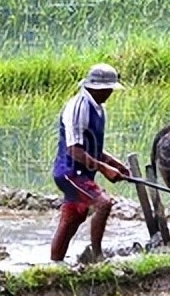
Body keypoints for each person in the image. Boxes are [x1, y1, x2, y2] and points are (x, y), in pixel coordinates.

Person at [50, 63, 131, 263]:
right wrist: (104, 169)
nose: (111, 92)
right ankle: (96, 256)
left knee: (72, 219)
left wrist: (114, 163)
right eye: (109, 89)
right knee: (103, 203)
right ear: (97, 88)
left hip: (82, 173)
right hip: (70, 172)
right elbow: (74, 149)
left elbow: (92, 147)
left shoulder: (98, 108)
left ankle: (55, 264)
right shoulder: (78, 107)